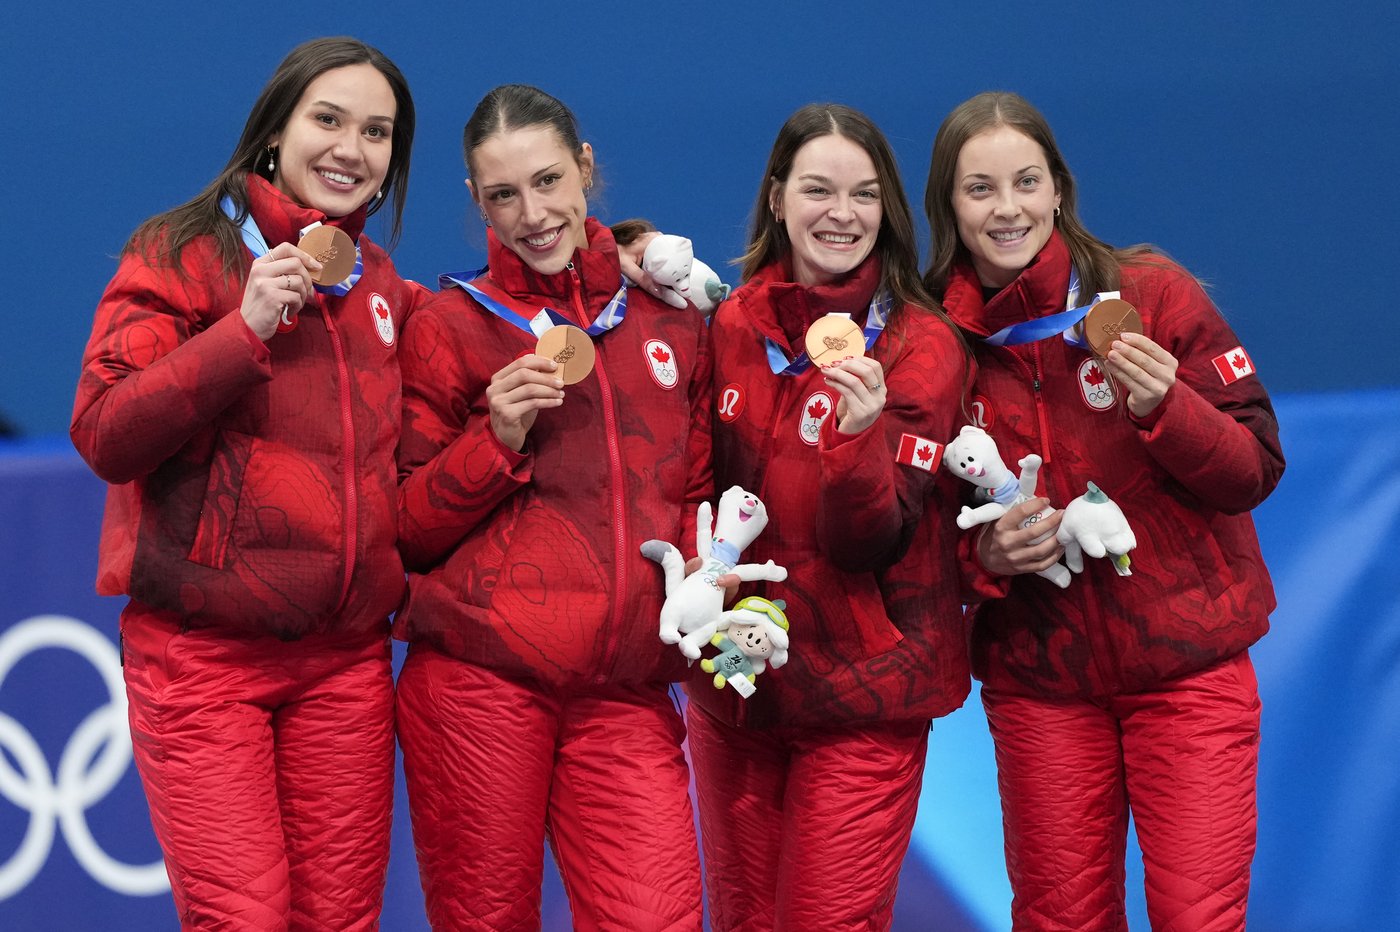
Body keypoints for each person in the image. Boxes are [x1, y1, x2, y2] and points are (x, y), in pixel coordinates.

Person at [70, 37, 417, 930]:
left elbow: (499, 317)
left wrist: (621, 248)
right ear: (274, 132)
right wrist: (243, 330)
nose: (352, 147)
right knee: (246, 920)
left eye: (376, 132)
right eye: (328, 120)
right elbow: (106, 433)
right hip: (204, 660)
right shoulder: (183, 251)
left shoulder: (379, 285)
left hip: (344, 663)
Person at [923, 91, 1285, 930]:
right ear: (950, 204)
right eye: (979, 190)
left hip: (1189, 677)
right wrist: (987, 560)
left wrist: (1169, 409)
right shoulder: (935, 342)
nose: (1007, 208)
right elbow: (917, 534)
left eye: (1025, 182)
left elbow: (1254, 469)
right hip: (1042, 687)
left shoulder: (1153, 296)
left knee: (1199, 918)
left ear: (1059, 189)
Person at [393, 84, 713, 931]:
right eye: (502, 195)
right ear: (474, 200)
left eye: (546, 182)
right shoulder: (449, 325)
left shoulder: (666, 314)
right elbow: (405, 530)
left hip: (624, 693)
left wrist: (707, 587)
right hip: (478, 688)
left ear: (585, 168)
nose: (531, 214)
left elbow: (698, 490)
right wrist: (493, 439)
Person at [686, 103, 974, 931]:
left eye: (864, 195)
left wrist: (856, 441)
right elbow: (698, 491)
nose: (841, 215)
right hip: (738, 692)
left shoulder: (922, 346)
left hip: (864, 698)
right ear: (777, 198)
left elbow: (871, 537)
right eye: (818, 190)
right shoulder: (733, 322)